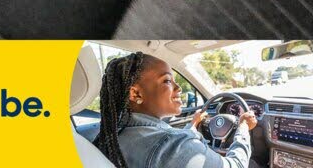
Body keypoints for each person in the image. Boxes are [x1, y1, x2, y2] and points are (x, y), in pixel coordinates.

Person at [94, 52, 258, 168]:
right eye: (167, 81)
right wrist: (243, 127)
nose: (178, 87)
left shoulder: (111, 135)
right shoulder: (172, 145)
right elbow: (236, 165)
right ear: (136, 93)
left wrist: (193, 124)